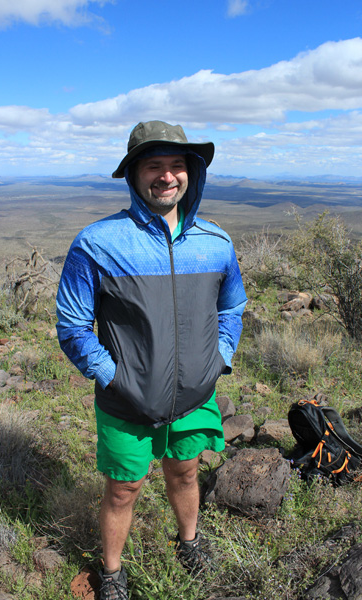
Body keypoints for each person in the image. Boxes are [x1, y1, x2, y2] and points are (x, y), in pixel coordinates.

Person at [56, 120, 247, 599]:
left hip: (196, 395)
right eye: (154, 166)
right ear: (134, 174)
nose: (166, 177)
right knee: (124, 489)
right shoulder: (98, 243)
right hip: (126, 401)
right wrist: (115, 378)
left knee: (185, 471)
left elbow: (232, 307)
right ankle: (114, 573)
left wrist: (217, 358)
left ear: (192, 173)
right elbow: (72, 326)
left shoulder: (216, 242)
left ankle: (189, 543)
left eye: (177, 166)